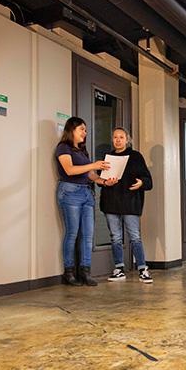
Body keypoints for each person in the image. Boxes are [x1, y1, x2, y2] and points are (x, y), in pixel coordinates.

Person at [55, 116, 114, 287]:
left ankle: (85, 272)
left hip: (87, 193)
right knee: (72, 233)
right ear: (71, 130)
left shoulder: (82, 152)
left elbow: (91, 175)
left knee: (88, 236)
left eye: (85, 130)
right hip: (70, 191)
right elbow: (70, 169)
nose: (84, 133)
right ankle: (69, 273)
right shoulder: (63, 148)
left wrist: (104, 181)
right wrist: (93, 164)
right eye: (81, 129)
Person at [99, 128, 154, 283]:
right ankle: (119, 269)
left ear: (127, 140)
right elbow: (100, 178)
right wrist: (105, 181)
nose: (118, 140)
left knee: (135, 237)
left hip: (130, 202)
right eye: (115, 137)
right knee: (115, 237)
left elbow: (148, 180)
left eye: (121, 137)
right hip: (111, 201)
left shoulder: (136, 156)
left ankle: (143, 269)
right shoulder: (108, 157)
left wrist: (141, 183)